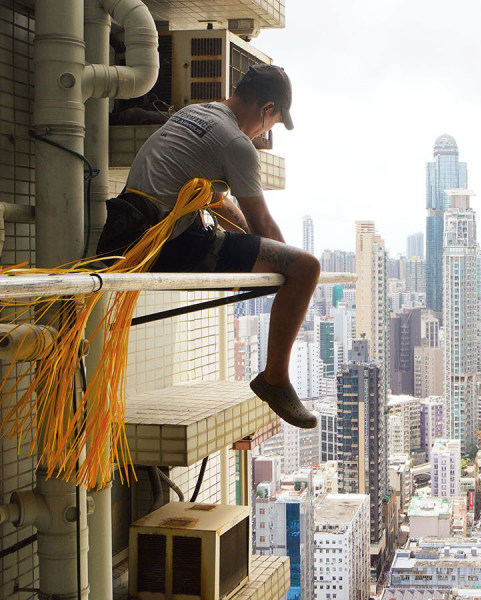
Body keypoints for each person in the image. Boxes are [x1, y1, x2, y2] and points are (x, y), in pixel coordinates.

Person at [97, 64, 319, 429]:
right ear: (266, 109)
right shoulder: (236, 143)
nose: (266, 133)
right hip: (170, 244)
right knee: (306, 267)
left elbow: (214, 200)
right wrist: (287, 269)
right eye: (273, 123)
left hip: (128, 229)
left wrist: (255, 244)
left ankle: (275, 375)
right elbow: (261, 221)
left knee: (283, 257)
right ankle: (275, 379)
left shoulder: (195, 113)